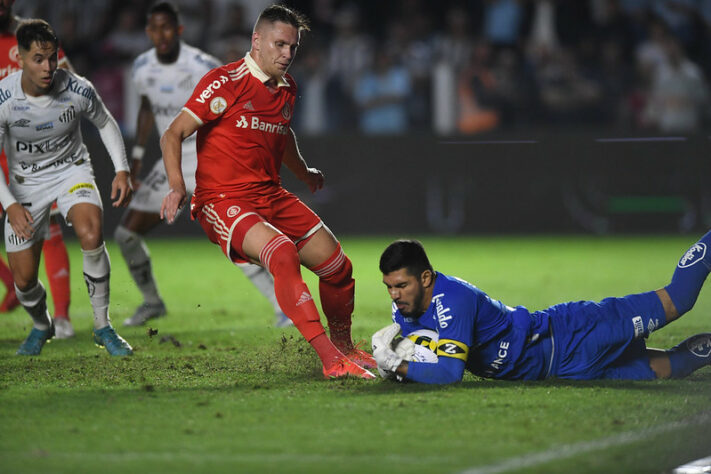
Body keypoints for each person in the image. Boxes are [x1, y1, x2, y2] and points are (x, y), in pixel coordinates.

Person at [160, 5, 375, 379]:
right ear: (256, 41)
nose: (287, 55)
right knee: (282, 254)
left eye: (293, 47)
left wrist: (304, 172)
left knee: (338, 267)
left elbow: (283, 135)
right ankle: (331, 360)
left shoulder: (288, 89)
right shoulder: (225, 81)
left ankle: (344, 346)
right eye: (279, 45)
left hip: (271, 196)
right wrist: (178, 187)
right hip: (222, 201)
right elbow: (173, 134)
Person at [117, 1, 290, 328]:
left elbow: (239, 99)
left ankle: (283, 307)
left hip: (208, 161)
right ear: (148, 32)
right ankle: (152, 302)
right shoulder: (141, 67)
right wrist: (137, 159)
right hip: (171, 162)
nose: (161, 34)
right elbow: (145, 108)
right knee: (126, 234)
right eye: (155, 28)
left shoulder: (202, 65)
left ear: (179, 30)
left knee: (234, 240)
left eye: (167, 27)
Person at [372, 236, 711, 383]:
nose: (394, 295)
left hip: (572, 334)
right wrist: (397, 368)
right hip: (563, 373)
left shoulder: (453, 299)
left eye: (402, 286)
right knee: (672, 368)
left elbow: (448, 374)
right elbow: (427, 357)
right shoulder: (402, 312)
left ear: (426, 277)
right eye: (389, 287)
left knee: (677, 299)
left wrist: (396, 365)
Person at [0, 19, 133, 355]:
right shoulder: (4, 98)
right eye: (38, 59)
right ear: (20, 59)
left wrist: (121, 169)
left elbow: (105, 121)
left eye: (52, 57)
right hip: (25, 185)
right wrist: (11, 205)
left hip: (71, 171)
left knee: (91, 232)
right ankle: (43, 325)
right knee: (24, 279)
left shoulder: (76, 87)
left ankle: (103, 327)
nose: (48, 67)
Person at [0, 0, 73, 339]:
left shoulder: (31, 34)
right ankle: (11, 284)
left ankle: (61, 318)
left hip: (34, 151)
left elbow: (69, 81)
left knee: (49, 230)